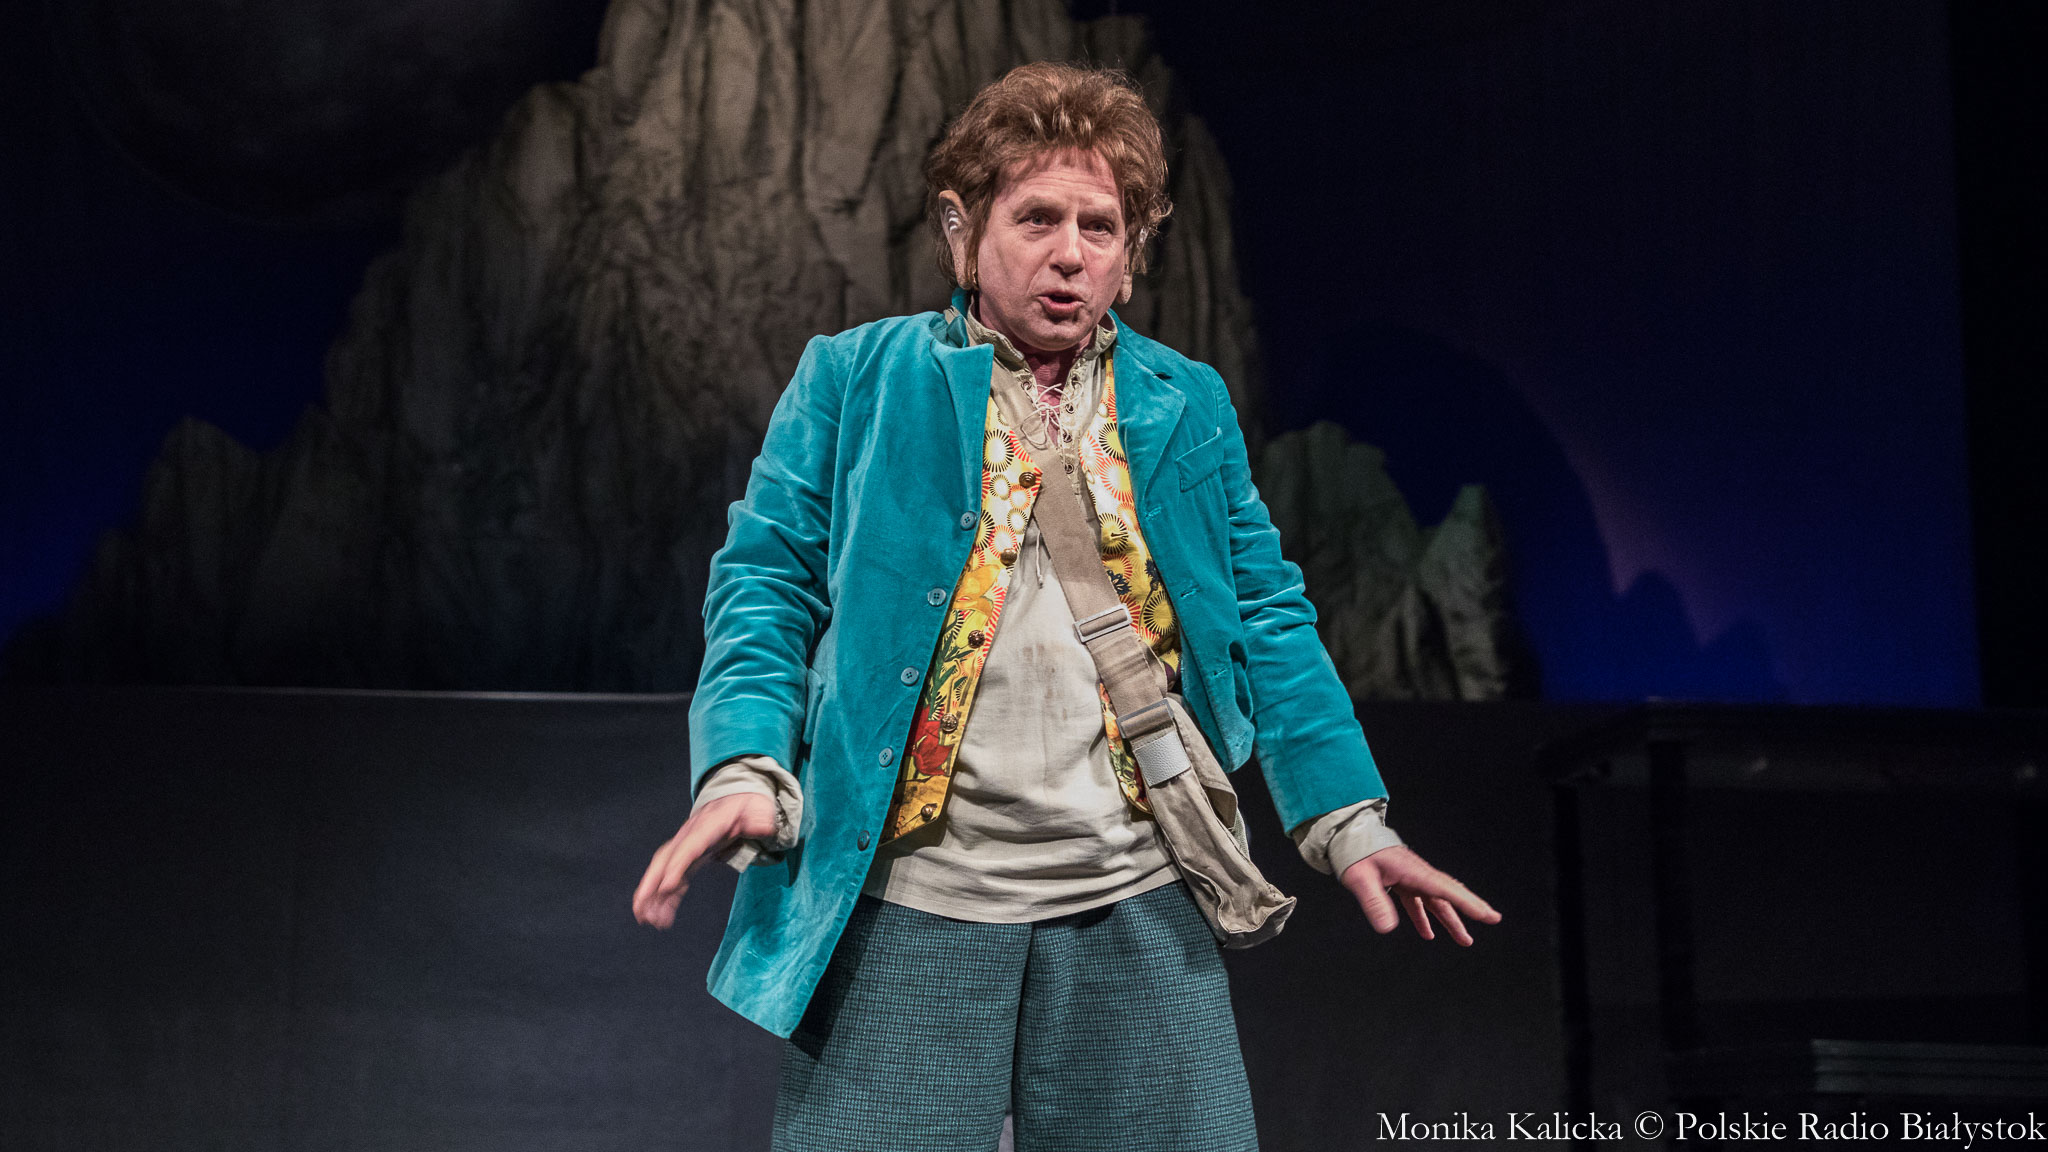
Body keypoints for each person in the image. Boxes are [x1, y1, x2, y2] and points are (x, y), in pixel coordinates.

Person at [632, 61, 1499, 1152]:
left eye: (1101, 227)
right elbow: (766, 583)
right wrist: (745, 767)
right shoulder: (857, 378)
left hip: (1135, 891)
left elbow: (1267, 617)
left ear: (1130, 256)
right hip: (907, 901)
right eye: (1036, 217)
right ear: (962, 231)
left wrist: (1349, 822)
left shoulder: (1184, 401)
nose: (1070, 252)